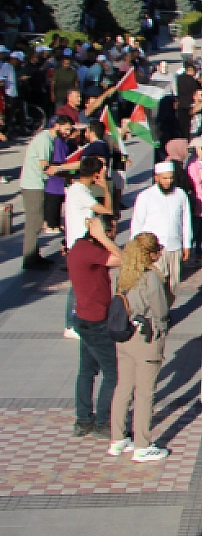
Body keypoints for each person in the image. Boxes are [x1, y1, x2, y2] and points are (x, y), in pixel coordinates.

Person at [109, 232, 171, 462]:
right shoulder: (150, 278)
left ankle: (118, 438)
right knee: (145, 393)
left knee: (123, 387)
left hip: (124, 337)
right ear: (151, 254)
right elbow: (161, 311)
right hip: (146, 339)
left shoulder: (123, 274)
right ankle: (142, 444)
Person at [67, 213, 123, 437]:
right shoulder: (90, 250)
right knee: (112, 373)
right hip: (95, 321)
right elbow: (124, 259)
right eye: (113, 232)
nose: (115, 236)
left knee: (87, 371)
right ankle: (103, 421)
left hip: (84, 317)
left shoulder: (80, 247)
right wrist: (102, 237)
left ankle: (83, 420)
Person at [18, 114, 77, 271]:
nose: (68, 133)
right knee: (34, 223)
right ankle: (29, 258)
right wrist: (67, 171)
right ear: (57, 125)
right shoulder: (45, 140)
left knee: (37, 221)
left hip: (38, 184)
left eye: (70, 130)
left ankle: (34, 255)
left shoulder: (50, 139)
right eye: (66, 129)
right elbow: (45, 166)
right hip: (33, 185)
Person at [129, 161, 193, 297]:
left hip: (174, 247)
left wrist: (186, 244)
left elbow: (186, 220)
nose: (168, 182)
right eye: (164, 178)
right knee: (155, 284)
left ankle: (165, 312)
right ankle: (157, 314)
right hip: (153, 249)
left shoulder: (181, 195)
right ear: (156, 177)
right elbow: (137, 223)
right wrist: (136, 248)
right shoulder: (145, 196)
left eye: (170, 178)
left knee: (173, 285)